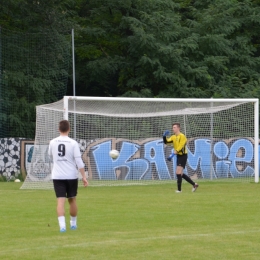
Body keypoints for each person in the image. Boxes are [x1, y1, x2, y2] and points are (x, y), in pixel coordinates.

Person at [48, 120, 88, 232]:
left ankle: (62, 227)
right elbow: (79, 162)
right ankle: (73, 224)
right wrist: (84, 177)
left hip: (57, 176)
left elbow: (50, 156)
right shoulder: (73, 143)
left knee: (60, 201)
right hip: (71, 175)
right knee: (72, 200)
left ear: (58, 129)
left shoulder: (52, 142)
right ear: (69, 129)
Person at [163, 122, 199, 193]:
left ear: (178, 128)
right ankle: (194, 184)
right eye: (173, 127)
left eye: (174, 127)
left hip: (183, 156)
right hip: (178, 156)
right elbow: (166, 142)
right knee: (180, 174)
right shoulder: (173, 137)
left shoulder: (182, 136)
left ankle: (179, 190)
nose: (173, 129)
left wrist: (173, 154)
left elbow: (181, 146)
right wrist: (164, 136)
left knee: (178, 172)